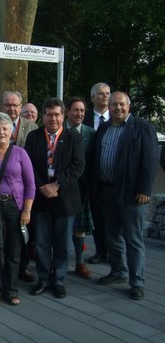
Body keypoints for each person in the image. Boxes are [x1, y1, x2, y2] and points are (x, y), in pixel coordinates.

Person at [93, 91, 158, 300]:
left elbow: (150, 162)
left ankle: (137, 281)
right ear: (108, 107)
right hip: (107, 191)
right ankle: (118, 271)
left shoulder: (142, 128)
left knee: (133, 239)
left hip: (132, 194)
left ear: (129, 106)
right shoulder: (103, 128)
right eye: (113, 105)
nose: (117, 108)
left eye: (121, 104)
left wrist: (144, 190)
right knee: (112, 236)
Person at [25, 98, 85, 299]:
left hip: (64, 198)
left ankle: (58, 280)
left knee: (62, 242)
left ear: (64, 115)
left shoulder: (73, 137)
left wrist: (56, 184)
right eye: (49, 114)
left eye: (57, 114)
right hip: (41, 198)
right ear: (43, 116)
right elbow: (29, 165)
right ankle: (42, 278)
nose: (53, 118)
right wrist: (43, 185)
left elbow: (78, 166)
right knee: (41, 242)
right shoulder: (33, 137)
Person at [0, 112, 35, 305]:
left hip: (14, 207)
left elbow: (30, 184)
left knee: (13, 250)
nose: (1, 132)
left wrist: (27, 210)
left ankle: (11, 290)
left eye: (4, 128)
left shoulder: (20, 153)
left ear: (11, 131)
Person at [1, 91, 38, 282]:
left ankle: (22, 268)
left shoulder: (32, 128)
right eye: (8, 105)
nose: (12, 108)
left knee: (22, 233)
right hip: (0, 190)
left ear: (20, 106)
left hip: (23, 189)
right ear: (2, 106)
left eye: (15, 105)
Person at [65, 97, 96, 279]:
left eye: (82, 111)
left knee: (79, 229)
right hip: (62, 189)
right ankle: (57, 261)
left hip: (81, 189)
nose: (79, 114)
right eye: (75, 110)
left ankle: (79, 262)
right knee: (60, 228)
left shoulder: (91, 133)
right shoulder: (58, 132)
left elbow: (93, 163)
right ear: (67, 112)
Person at [84, 82, 111, 265]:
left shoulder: (117, 119)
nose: (105, 96)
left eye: (108, 93)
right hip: (88, 177)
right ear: (93, 97)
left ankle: (113, 253)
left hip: (110, 179)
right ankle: (100, 251)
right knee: (96, 217)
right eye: (101, 94)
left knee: (112, 219)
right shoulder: (83, 118)